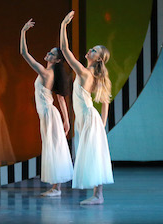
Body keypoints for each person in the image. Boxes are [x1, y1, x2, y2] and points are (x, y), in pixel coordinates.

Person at [59, 11, 114, 204]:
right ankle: (97, 195)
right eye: (91, 48)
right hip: (88, 119)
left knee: (92, 154)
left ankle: (98, 196)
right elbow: (105, 102)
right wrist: (102, 124)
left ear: (98, 59)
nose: (90, 50)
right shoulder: (96, 76)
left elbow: (65, 51)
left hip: (89, 118)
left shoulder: (84, 73)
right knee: (92, 153)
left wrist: (64, 26)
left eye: (94, 51)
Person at [19, 19, 73, 197]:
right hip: (50, 114)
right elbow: (61, 98)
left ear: (57, 60)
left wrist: (23, 32)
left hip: (49, 115)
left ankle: (56, 188)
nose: (47, 54)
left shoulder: (45, 72)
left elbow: (24, 53)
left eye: (51, 54)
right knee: (53, 146)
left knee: (53, 147)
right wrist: (66, 120)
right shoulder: (53, 74)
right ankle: (55, 186)